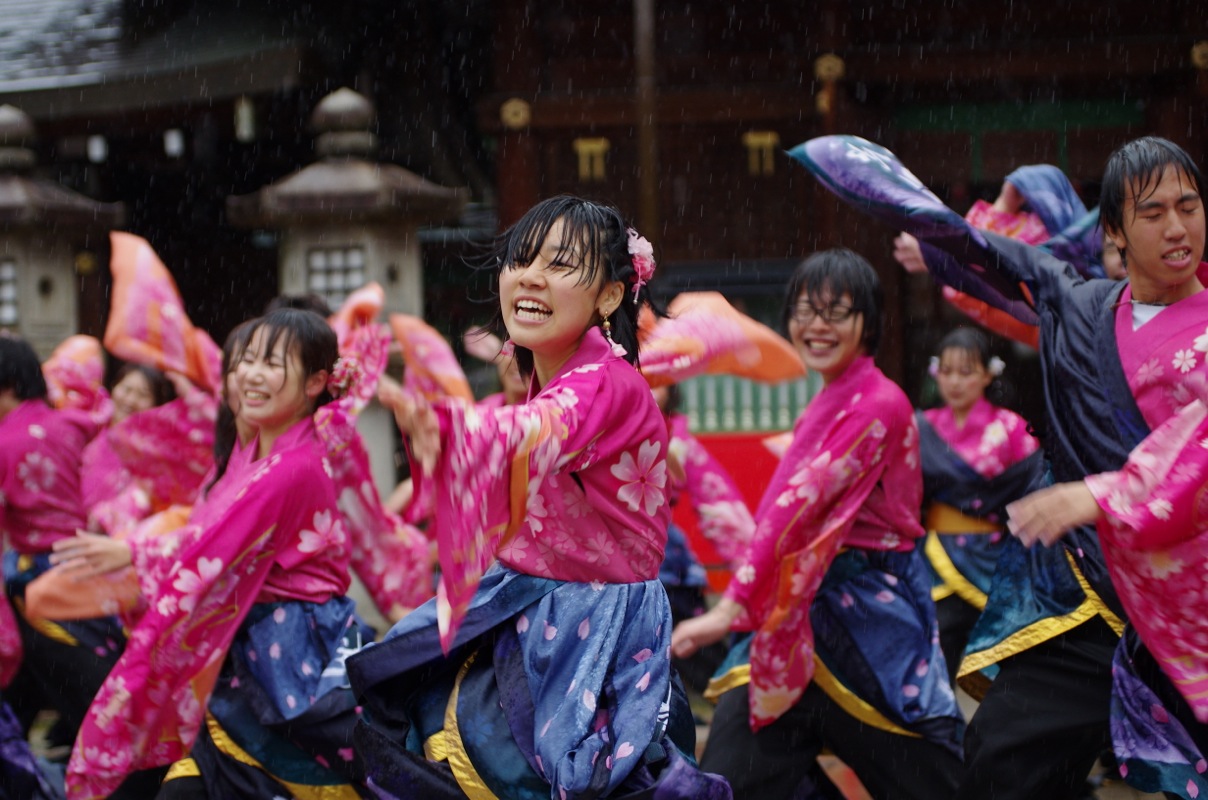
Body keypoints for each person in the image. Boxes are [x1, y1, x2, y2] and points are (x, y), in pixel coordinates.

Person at [791, 133, 1208, 799]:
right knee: (1003, 762)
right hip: (1083, 592)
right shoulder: (1081, 306)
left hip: (1188, 608)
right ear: (1117, 234)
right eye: (1152, 213)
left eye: (1189, 206)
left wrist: (1102, 494)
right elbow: (988, 257)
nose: (1178, 226)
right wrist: (912, 209)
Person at [347, 195, 731, 799]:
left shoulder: (606, 381)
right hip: (521, 603)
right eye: (520, 259)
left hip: (591, 626)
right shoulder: (550, 381)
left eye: (558, 264)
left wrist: (449, 427)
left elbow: (538, 431)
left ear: (608, 296)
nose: (529, 276)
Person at [671, 249, 963, 800]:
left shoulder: (879, 403)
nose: (816, 326)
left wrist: (732, 605)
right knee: (737, 778)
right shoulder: (829, 399)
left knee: (934, 781)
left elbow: (798, 508)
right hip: (796, 613)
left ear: (867, 323)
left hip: (869, 622)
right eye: (805, 311)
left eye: (836, 312)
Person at [53, 309, 369, 799]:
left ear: (315, 382)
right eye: (244, 361)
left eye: (270, 362)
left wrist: (134, 557)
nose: (250, 375)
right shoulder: (264, 455)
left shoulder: (286, 470)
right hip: (261, 646)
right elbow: (209, 536)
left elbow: (208, 557)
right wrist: (132, 551)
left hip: (285, 657)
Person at [918, 328, 1042, 688]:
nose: (955, 382)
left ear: (988, 374)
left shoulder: (1012, 429)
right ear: (935, 373)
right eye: (948, 371)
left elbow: (1033, 491)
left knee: (1004, 654)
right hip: (936, 559)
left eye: (966, 371)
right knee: (933, 654)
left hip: (997, 558)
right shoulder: (920, 427)